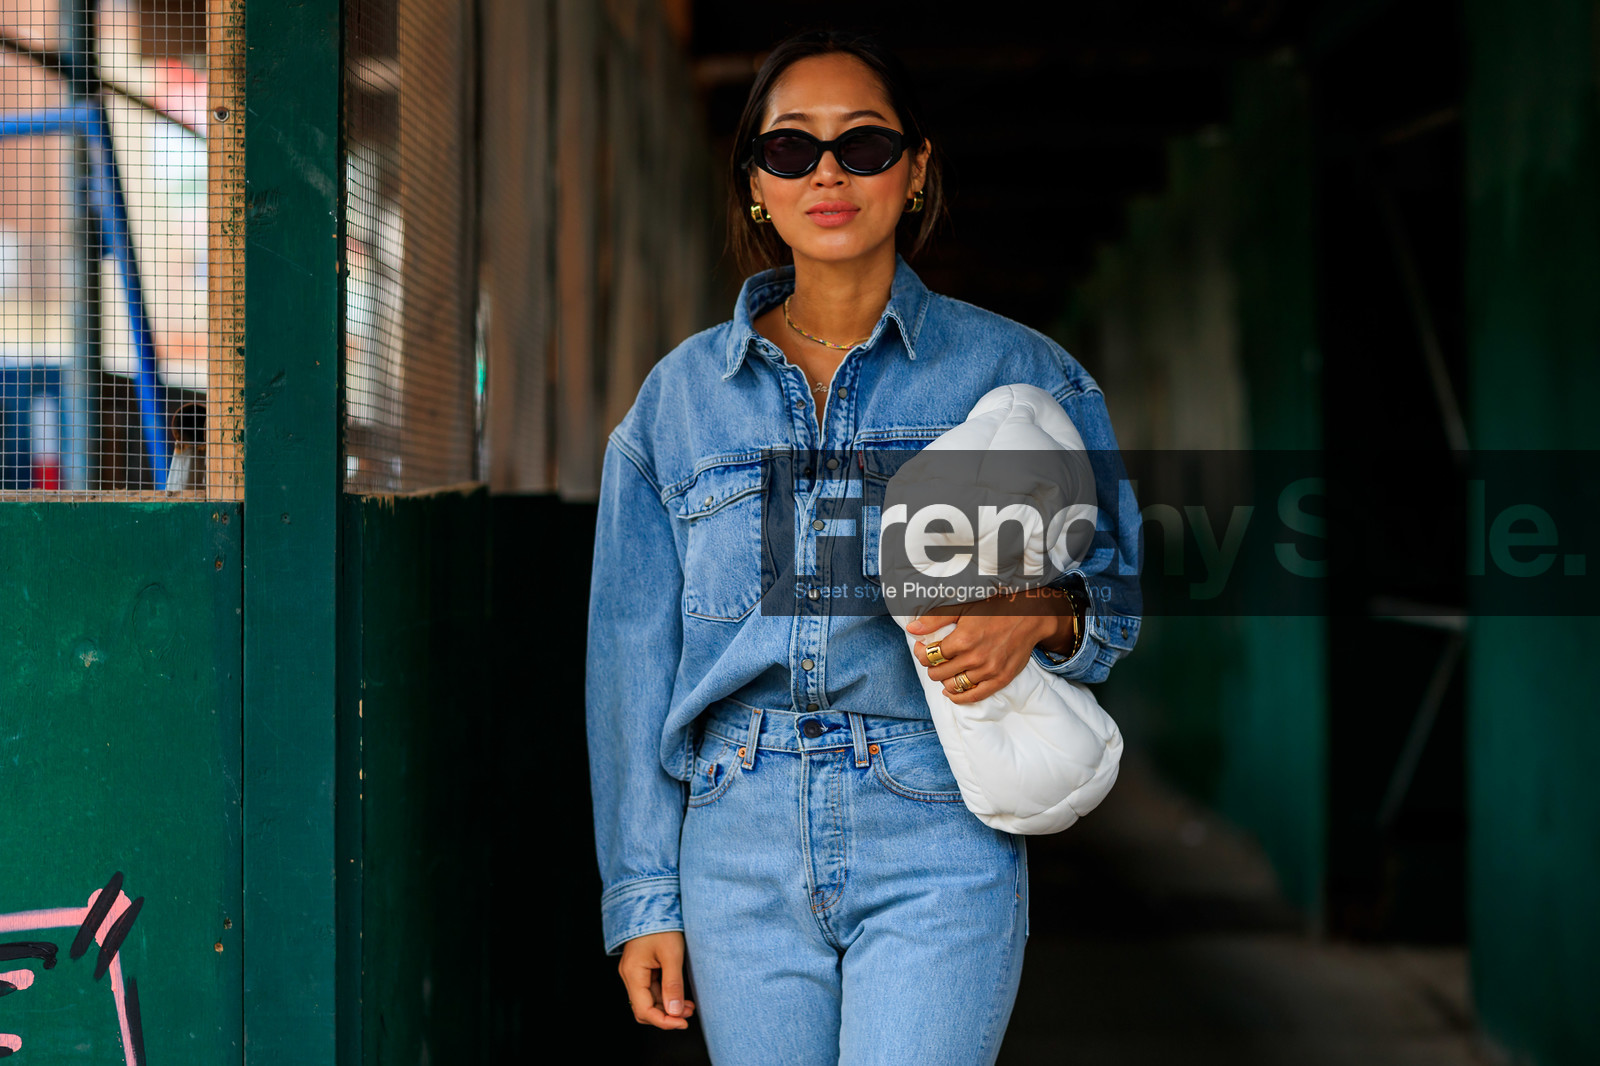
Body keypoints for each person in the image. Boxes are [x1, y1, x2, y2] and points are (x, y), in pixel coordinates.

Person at [585, 28, 1141, 1065]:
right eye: (790, 149)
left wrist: (1044, 611)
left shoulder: (1021, 373)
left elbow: (1118, 596)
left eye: (864, 145)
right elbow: (630, 655)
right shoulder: (678, 403)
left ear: (916, 169)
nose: (827, 172)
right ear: (754, 180)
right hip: (734, 836)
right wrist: (642, 894)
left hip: (937, 822)